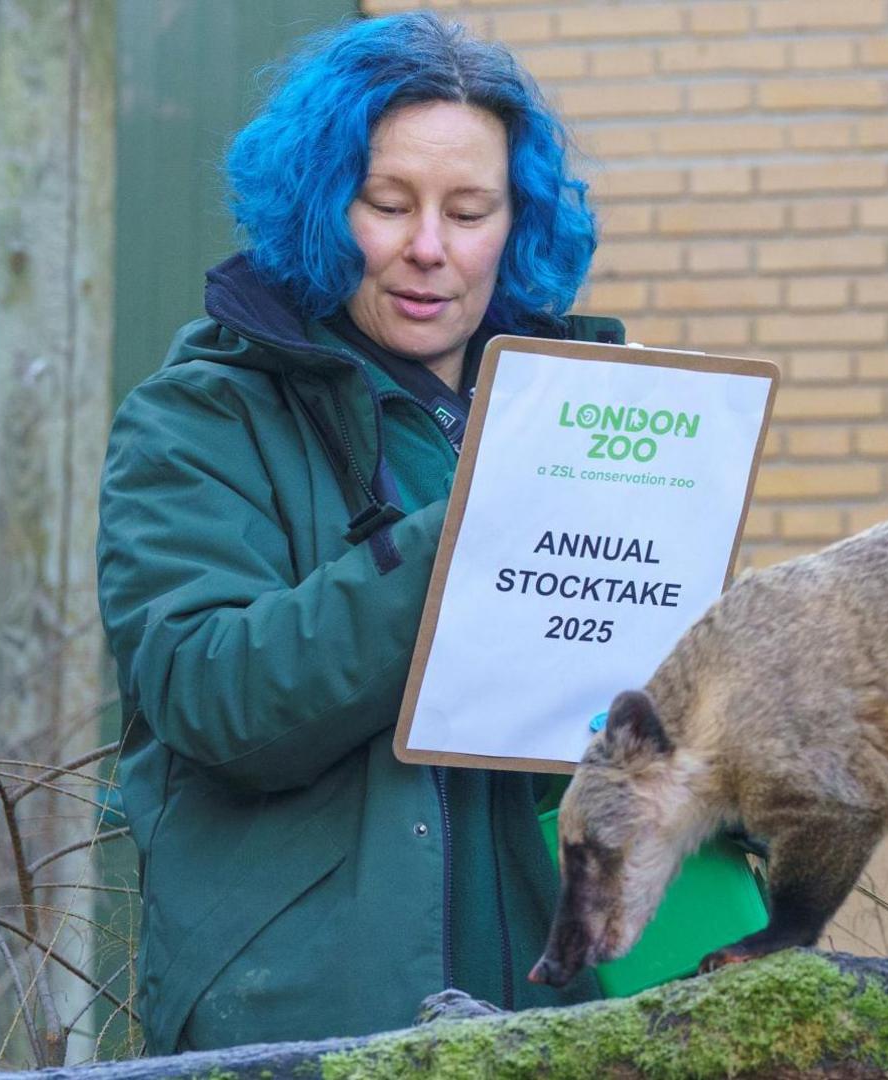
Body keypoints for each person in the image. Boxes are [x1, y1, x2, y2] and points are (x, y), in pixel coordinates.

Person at [95, 12, 617, 1053]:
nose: (430, 249)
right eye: (388, 205)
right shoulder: (199, 417)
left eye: (470, 211)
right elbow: (215, 693)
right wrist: (462, 533)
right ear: (323, 204)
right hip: (306, 1023)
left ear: (518, 225)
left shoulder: (582, 418)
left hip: (564, 1009)